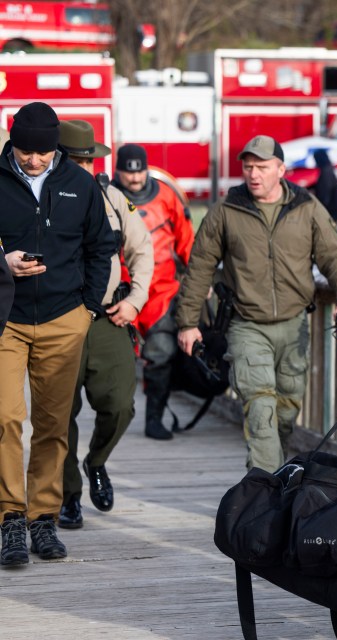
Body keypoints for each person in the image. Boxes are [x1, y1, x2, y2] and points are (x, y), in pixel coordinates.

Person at [176, 135, 337, 472]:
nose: (253, 174)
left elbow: (334, 256)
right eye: (248, 167)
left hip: (294, 326)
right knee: (259, 408)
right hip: (246, 325)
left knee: (286, 410)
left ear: (281, 169)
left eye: (261, 167)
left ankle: (274, 478)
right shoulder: (226, 211)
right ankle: (266, 489)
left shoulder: (306, 207)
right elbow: (199, 267)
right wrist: (187, 322)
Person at [0, 102, 114, 565]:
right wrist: (2, 264)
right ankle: (10, 517)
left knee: (52, 425)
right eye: (25, 151)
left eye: (42, 153)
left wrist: (87, 309)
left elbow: (100, 247)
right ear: (13, 142)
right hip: (5, 318)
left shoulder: (80, 184)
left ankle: (42, 518)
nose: (32, 160)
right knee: (5, 418)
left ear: (54, 148)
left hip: (64, 319)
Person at [58, 121, 154, 529]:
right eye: (75, 159)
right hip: (58, 318)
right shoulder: (42, 198)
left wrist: (135, 302)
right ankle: (68, 496)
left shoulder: (113, 198)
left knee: (120, 406)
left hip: (108, 318)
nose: (83, 166)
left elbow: (143, 250)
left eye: (88, 160)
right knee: (59, 414)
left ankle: (95, 462)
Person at [112, 143, 194, 440]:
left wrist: (199, 280)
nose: (134, 179)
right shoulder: (105, 197)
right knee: (116, 360)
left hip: (161, 290)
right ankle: (113, 419)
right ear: (118, 170)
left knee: (161, 352)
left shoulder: (167, 195)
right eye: (127, 173)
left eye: (139, 172)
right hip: (118, 290)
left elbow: (187, 241)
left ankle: (154, 419)